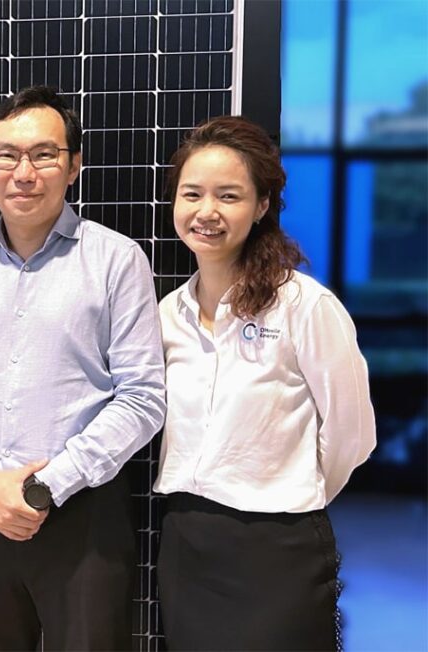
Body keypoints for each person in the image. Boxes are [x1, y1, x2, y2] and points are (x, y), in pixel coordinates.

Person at [0, 85, 167, 650]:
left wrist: (46, 486)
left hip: (83, 518)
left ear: (73, 165)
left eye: (44, 154)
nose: (23, 172)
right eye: (6, 155)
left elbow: (143, 397)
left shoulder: (118, 260)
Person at [154, 115, 376, 650]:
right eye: (193, 194)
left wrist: (294, 488)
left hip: (281, 547)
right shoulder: (166, 315)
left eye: (228, 196)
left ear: (260, 206)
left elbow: (353, 434)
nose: (207, 212)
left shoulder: (303, 304)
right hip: (188, 541)